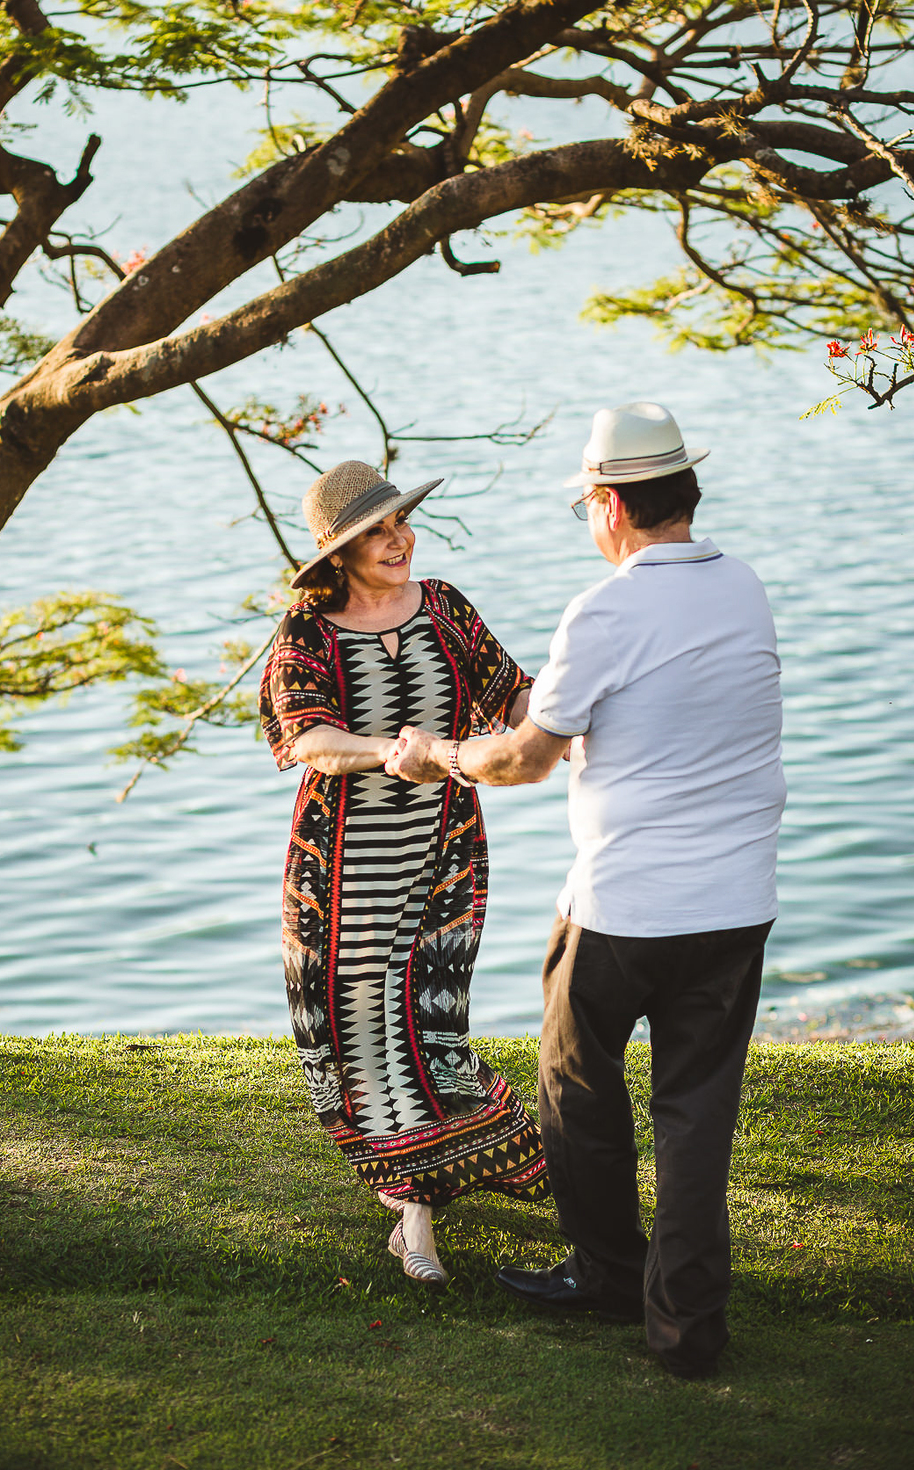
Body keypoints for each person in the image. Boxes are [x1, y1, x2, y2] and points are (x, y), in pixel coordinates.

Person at [387, 401, 786, 1377]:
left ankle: (607, 1272)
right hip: (739, 903)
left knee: (574, 1079)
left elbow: (526, 758)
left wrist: (438, 755)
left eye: (586, 507)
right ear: (684, 491)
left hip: (623, 908)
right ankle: (687, 1330)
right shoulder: (743, 588)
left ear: (608, 504)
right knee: (697, 1114)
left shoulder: (606, 609)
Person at [259, 459, 549, 1289]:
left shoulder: (446, 606)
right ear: (339, 552)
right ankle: (412, 1212)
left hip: (440, 854)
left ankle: (489, 1167)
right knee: (356, 1028)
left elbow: (515, 695)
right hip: (342, 865)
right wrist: (393, 751)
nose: (400, 540)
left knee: (430, 1022)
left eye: (401, 524)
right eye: (379, 532)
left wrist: (575, 721)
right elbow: (307, 738)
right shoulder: (307, 633)